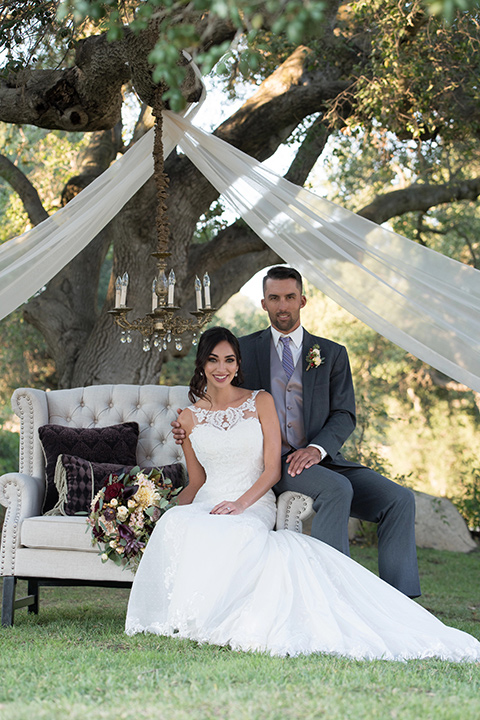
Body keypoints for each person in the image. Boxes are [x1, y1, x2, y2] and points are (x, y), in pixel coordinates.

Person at [126, 326, 480, 660]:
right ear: (201, 364)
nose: (222, 368)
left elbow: (274, 468)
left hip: (252, 498)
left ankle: (369, 598)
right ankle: (193, 616)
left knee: (240, 530)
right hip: (210, 500)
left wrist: (240, 503)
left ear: (238, 364)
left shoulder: (260, 401)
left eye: (229, 360)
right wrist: (160, 509)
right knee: (178, 523)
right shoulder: (187, 418)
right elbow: (197, 480)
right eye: (213, 360)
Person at [173, 266, 420, 598]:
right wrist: (187, 426)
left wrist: (317, 449)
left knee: (399, 500)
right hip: (274, 463)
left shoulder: (331, 354)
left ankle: (399, 600)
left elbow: (345, 414)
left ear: (302, 300)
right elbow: (220, 395)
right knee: (336, 490)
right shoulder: (242, 350)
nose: (283, 306)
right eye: (274, 298)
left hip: (323, 458)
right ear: (263, 303)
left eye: (290, 297)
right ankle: (333, 591)